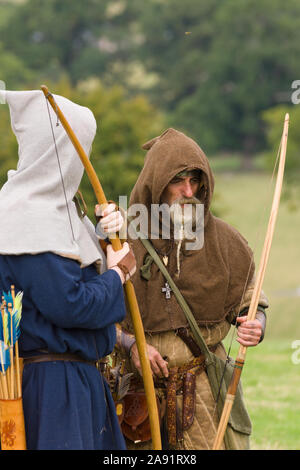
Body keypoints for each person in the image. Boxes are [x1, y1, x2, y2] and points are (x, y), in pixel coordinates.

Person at [116, 128, 268, 450]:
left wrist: (257, 326)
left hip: (203, 396)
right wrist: (131, 345)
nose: (189, 191)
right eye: (178, 180)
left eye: (195, 181)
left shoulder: (225, 240)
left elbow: (252, 304)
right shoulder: (121, 240)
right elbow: (95, 316)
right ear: (156, 184)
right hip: (137, 400)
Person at [0, 89, 135, 450]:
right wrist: (118, 275)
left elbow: (69, 274)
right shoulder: (26, 215)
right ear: (55, 149)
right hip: (52, 388)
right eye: (77, 149)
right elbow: (69, 304)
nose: (82, 159)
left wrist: (103, 239)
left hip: (76, 381)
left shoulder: (51, 213)